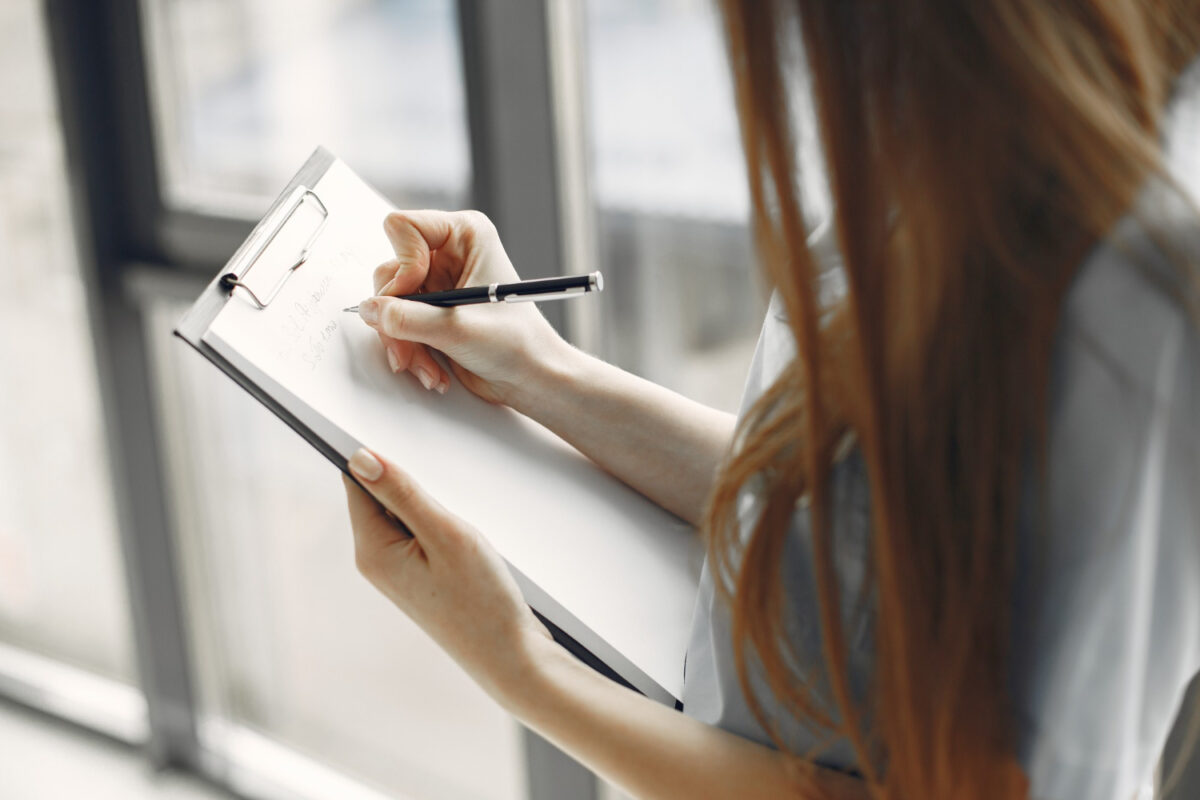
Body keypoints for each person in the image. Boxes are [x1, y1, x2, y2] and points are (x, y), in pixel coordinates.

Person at [341, 2, 1200, 798]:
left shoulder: (1141, 294)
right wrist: (542, 371)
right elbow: (856, 514)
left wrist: (526, 669)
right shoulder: (953, 134)